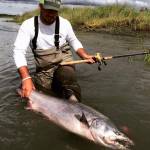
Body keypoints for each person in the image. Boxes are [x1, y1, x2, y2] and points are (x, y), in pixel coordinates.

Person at [13, 0, 95, 102]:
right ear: (41, 7)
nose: (51, 14)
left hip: (64, 62)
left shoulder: (65, 23)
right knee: (34, 93)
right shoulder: (28, 25)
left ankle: (76, 104)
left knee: (68, 80)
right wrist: (26, 78)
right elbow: (19, 52)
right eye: (48, 10)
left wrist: (84, 55)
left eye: (54, 11)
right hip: (44, 69)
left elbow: (74, 41)